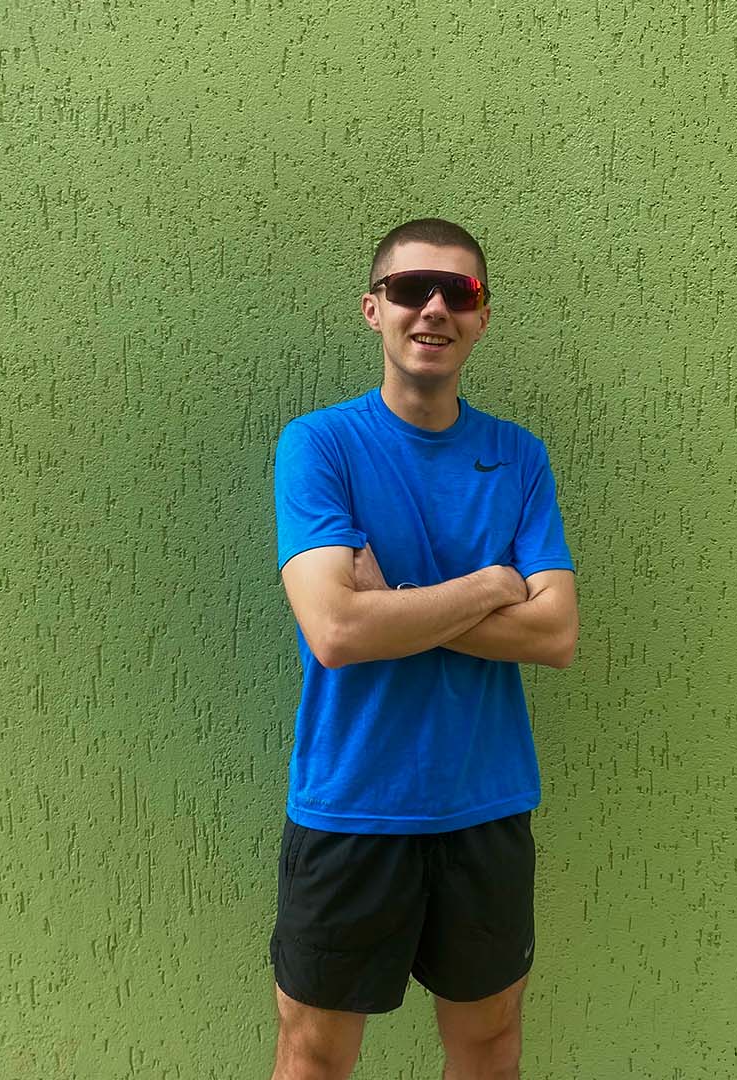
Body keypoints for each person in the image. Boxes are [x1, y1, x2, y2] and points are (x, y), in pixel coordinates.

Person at [269, 218, 578, 1080]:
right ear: (374, 309)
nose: (434, 307)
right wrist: (490, 585)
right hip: (351, 805)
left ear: (483, 317)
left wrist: (394, 603)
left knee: (488, 1048)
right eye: (411, 289)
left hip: (484, 808)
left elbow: (555, 636)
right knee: (314, 1054)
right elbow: (335, 631)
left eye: (461, 292)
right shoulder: (319, 445)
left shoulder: (518, 457)